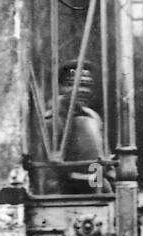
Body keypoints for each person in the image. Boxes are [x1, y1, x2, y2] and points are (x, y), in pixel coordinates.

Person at [39, 59, 109, 194]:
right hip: (61, 199)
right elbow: (47, 174)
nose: (82, 90)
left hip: (94, 194)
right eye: (73, 84)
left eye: (87, 85)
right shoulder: (51, 121)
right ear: (60, 88)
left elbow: (103, 164)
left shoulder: (92, 118)